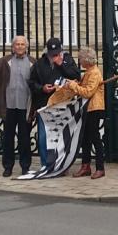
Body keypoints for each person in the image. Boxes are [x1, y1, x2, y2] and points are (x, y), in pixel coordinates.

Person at [28, 37, 81, 171]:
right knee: (44, 137)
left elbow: (76, 76)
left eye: (56, 53)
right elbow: (31, 82)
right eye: (52, 54)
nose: (54, 56)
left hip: (63, 105)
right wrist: (42, 88)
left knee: (62, 136)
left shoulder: (68, 60)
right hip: (45, 105)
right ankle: (46, 165)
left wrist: (61, 64)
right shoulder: (40, 63)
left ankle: (61, 165)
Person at [0, 35, 35, 177]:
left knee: (24, 138)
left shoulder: (33, 62)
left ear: (26, 46)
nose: (20, 46)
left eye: (22, 44)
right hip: (8, 106)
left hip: (25, 106)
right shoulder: (5, 61)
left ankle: (25, 166)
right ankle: (7, 166)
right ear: (13, 47)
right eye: (17, 44)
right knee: (8, 138)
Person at [67, 47, 106, 179]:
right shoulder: (89, 71)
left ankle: (100, 167)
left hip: (93, 108)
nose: (79, 61)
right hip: (87, 108)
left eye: (80, 58)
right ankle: (86, 165)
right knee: (85, 138)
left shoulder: (94, 73)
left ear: (86, 59)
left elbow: (88, 92)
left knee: (95, 137)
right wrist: (77, 84)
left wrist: (74, 86)